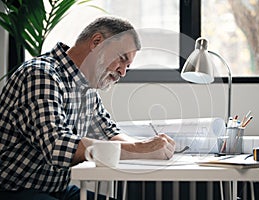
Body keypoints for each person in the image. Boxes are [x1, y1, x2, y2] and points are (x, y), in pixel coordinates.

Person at [0, 16, 175, 200]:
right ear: (97, 42)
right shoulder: (41, 74)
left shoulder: (87, 88)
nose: (122, 72)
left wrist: (152, 148)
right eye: (121, 59)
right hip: (13, 190)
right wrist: (139, 149)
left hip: (55, 190)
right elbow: (58, 146)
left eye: (127, 66)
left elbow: (109, 133)